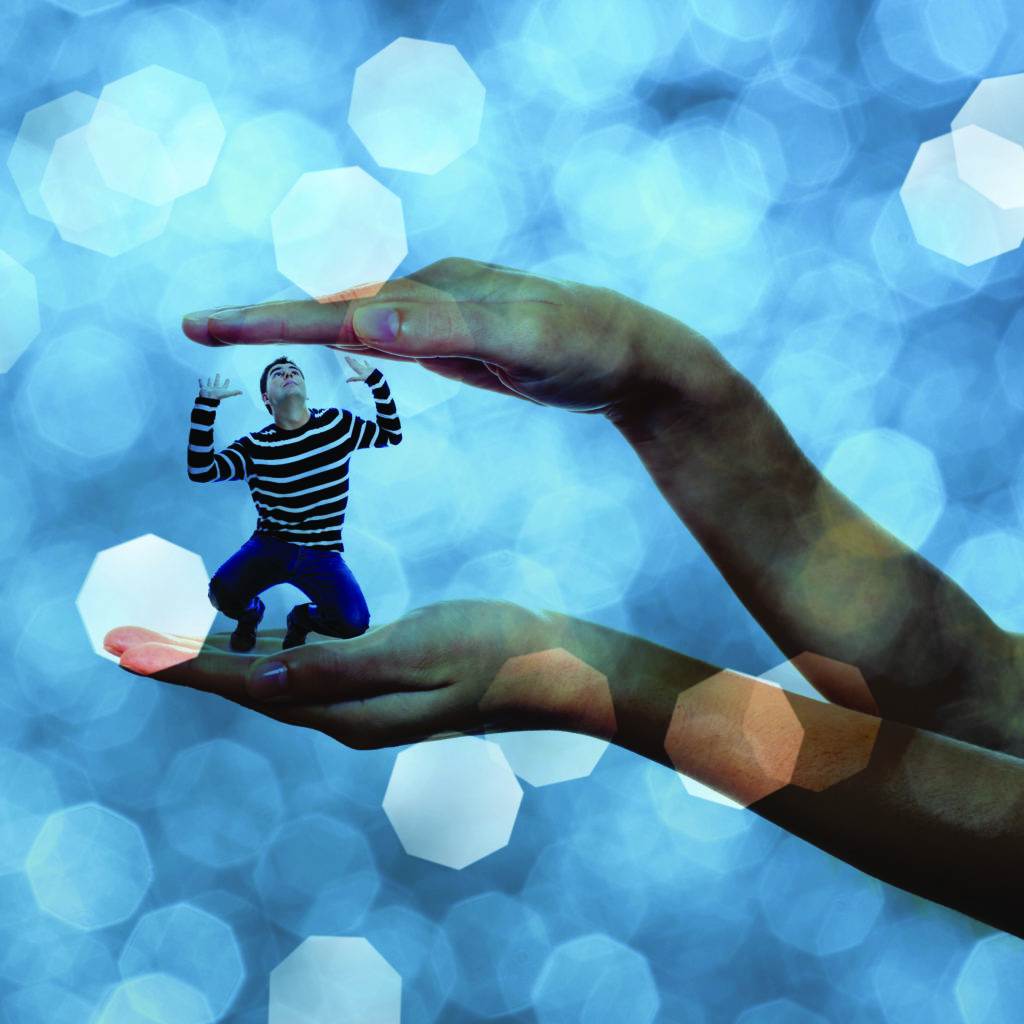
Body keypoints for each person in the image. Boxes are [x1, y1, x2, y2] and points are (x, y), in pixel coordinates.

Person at [108, 258, 1024, 939]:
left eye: (288, 382)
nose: (285, 393)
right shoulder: (263, 446)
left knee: (332, 612)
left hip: (313, 564)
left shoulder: (338, 426)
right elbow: (987, 706)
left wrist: (587, 680)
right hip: (276, 547)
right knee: (237, 586)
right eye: (275, 389)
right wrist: (660, 382)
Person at [187, 352, 402, 651]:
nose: (288, 374)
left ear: (305, 389)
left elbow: (391, 434)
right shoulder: (255, 447)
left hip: (323, 554)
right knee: (222, 595)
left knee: (353, 623)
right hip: (270, 547)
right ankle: (251, 616)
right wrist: (206, 406)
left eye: (294, 371)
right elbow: (201, 470)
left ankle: (301, 620)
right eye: (278, 373)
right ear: (266, 398)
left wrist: (376, 382)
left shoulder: (336, 425)